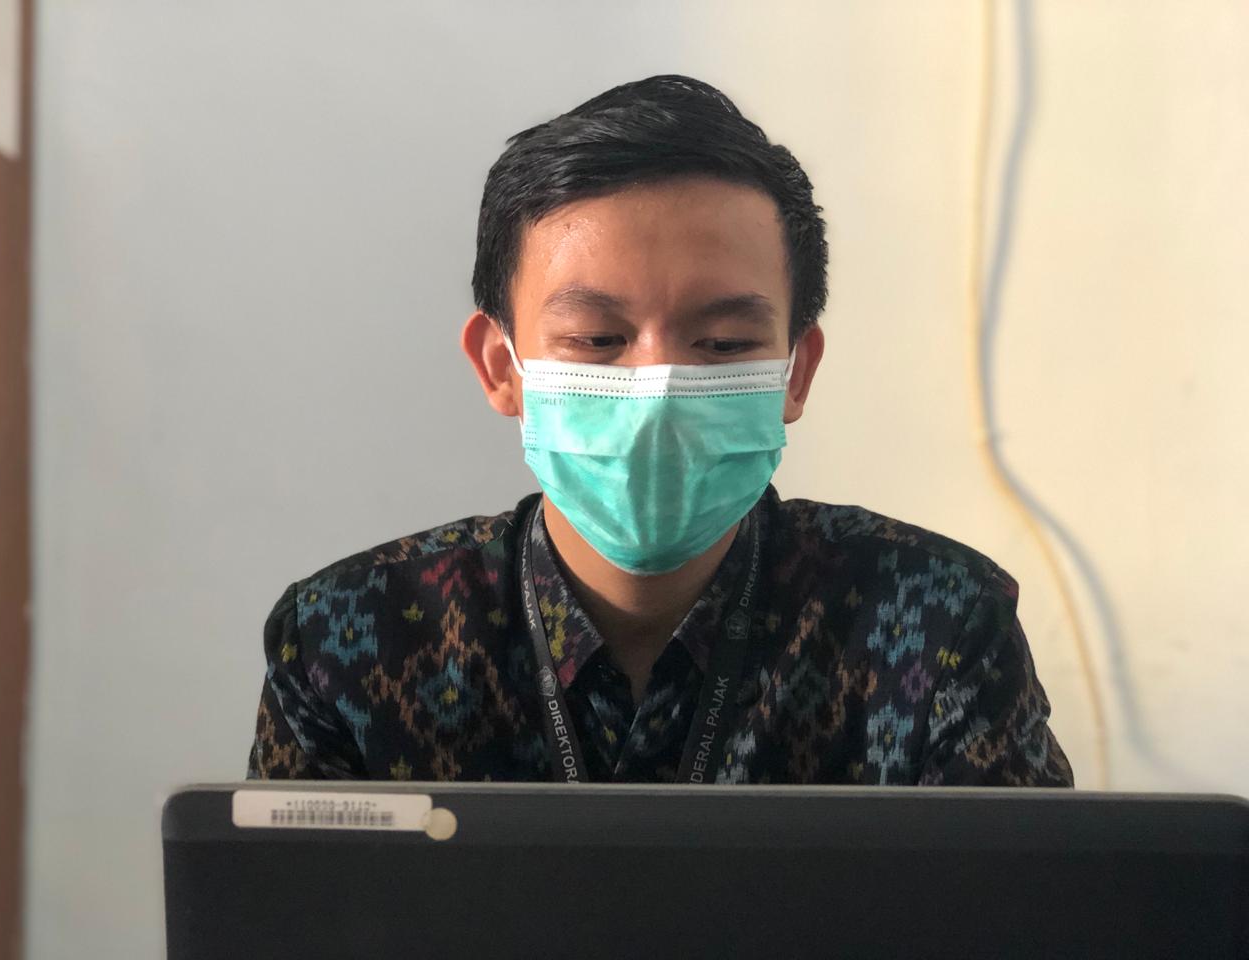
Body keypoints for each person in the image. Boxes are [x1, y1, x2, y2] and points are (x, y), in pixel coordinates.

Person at [247, 75, 1073, 787]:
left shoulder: (938, 624)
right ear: (501, 367)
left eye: (722, 344)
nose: (658, 389)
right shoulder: (350, 640)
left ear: (796, 373)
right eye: (597, 339)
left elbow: (1030, 903)